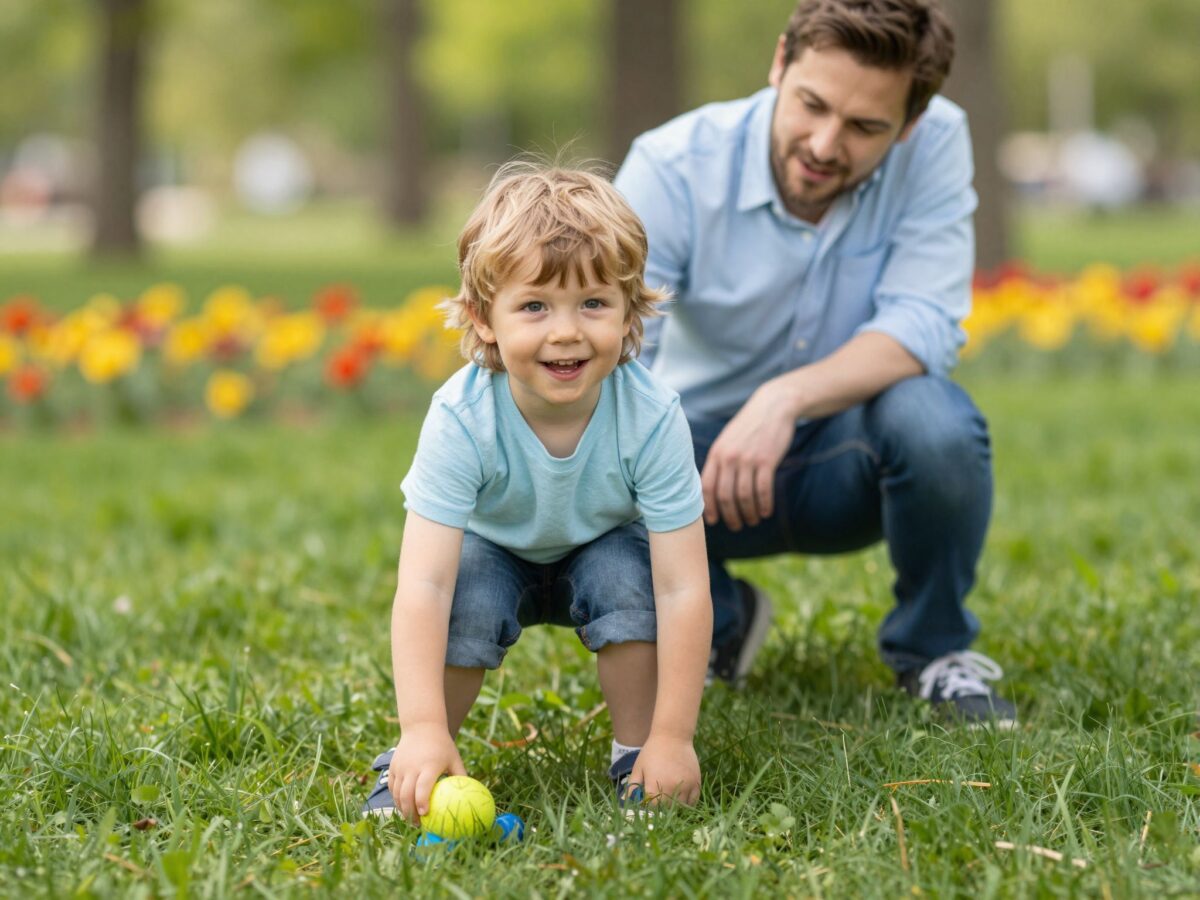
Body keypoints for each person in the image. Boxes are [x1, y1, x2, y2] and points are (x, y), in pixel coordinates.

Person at [614, 0, 1016, 725]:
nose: (825, 144)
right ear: (778, 64)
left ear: (911, 123)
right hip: (693, 471)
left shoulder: (938, 143)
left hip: (846, 458)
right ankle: (717, 621)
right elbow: (618, 350)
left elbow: (924, 322)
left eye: (866, 128)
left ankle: (933, 650)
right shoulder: (672, 165)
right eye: (811, 105)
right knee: (602, 445)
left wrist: (784, 398)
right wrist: (650, 462)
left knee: (940, 423)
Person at [362, 164, 713, 821]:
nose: (565, 331)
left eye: (593, 304)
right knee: (464, 592)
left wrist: (677, 737)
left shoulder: (652, 414)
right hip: (496, 550)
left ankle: (639, 753)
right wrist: (419, 725)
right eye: (534, 306)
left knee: (629, 582)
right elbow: (424, 586)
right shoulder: (462, 416)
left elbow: (683, 587)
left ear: (630, 310)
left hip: (600, 545)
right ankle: (423, 752)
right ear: (483, 319)